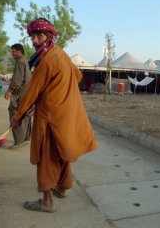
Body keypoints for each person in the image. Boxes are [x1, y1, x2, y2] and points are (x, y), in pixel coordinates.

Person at [11, 18, 97, 212]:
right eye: (32, 36)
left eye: (39, 36)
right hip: (66, 113)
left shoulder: (47, 60)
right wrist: (60, 90)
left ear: (49, 36)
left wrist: (18, 117)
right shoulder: (61, 54)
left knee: (46, 155)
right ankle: (63, 187)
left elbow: (32, 91)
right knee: (61, 150)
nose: (34, 41)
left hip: (51, 116)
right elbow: (77, 76)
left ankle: (47, 201)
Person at [5, 43, 32, 149]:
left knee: (15, 115)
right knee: (25, 116)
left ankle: (19, 141)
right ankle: (25, 138)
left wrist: (9, 90)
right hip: (26, 94)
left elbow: (17, 79)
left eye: (13, 52)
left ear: (19, 52)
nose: (12, 54)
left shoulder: (20, 62)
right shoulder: (25, 61)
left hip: (19, 95)